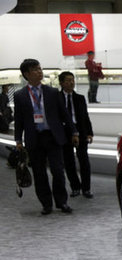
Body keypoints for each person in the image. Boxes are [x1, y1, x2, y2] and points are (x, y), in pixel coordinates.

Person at [14, 58, 78, 214]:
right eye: (35, 69)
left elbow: (64, 113)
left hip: (53, 136)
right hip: (34, 138)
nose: (39, 72)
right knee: (39, 173)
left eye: (40, 68)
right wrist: (18, 139)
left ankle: (62, 202)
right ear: (27, 74)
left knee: (58, 170)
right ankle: (46, 204)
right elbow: (19, 119)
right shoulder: (20, 95)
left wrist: (74, 132)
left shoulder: (52, 92)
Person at [59, 71, 94, 199]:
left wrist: (89, 133)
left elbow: (85, 116)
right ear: (61, 83)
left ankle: (86, 188)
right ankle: (75, 187)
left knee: (84, 161)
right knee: (68, 162)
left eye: (72, 80)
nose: (71, 83)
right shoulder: (57, 98)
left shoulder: (80, 98)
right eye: (68, 80)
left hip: (81, 131)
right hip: (64, 132)